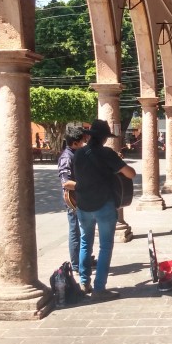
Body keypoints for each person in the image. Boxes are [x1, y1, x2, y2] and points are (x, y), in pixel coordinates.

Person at [73, 119, 136, 300]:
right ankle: (99, 288)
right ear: (104, 138)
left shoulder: (79, 154)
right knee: (105, 246)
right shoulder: (107, 153)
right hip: (103, 205)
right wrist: (117, 165)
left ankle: (84, 282)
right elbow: (130, 173)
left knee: (86, 242)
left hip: (83, 205)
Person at [57, 126, 87, 273]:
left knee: (83, 232)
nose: (85, 142)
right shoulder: (67, 157)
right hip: (73, 200)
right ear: (75, 143)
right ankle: (76, 264)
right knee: (75, 231)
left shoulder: (77, 153)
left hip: (81, 198)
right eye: (83, 141)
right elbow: (66, 182)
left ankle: (83, 259)